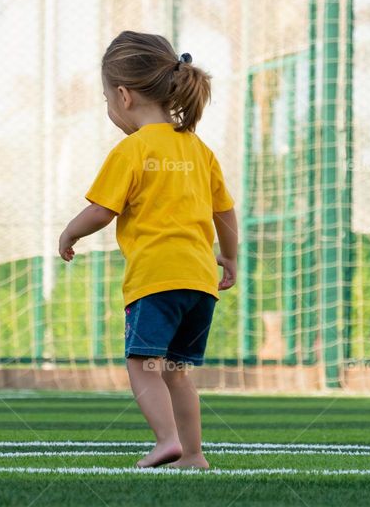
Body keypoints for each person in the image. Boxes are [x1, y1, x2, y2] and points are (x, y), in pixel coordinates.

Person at [58, 31, 237, 470]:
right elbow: (225, 213)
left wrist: (69, 234)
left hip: (156, 280)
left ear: (123, 96)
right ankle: (193, 455)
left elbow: (101, 211)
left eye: (105, 99)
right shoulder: (199, 149)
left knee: (143, 366)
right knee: (177, 372)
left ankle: (166, 441)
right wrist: (230, 258)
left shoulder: (132, 149)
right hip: (199, 283)